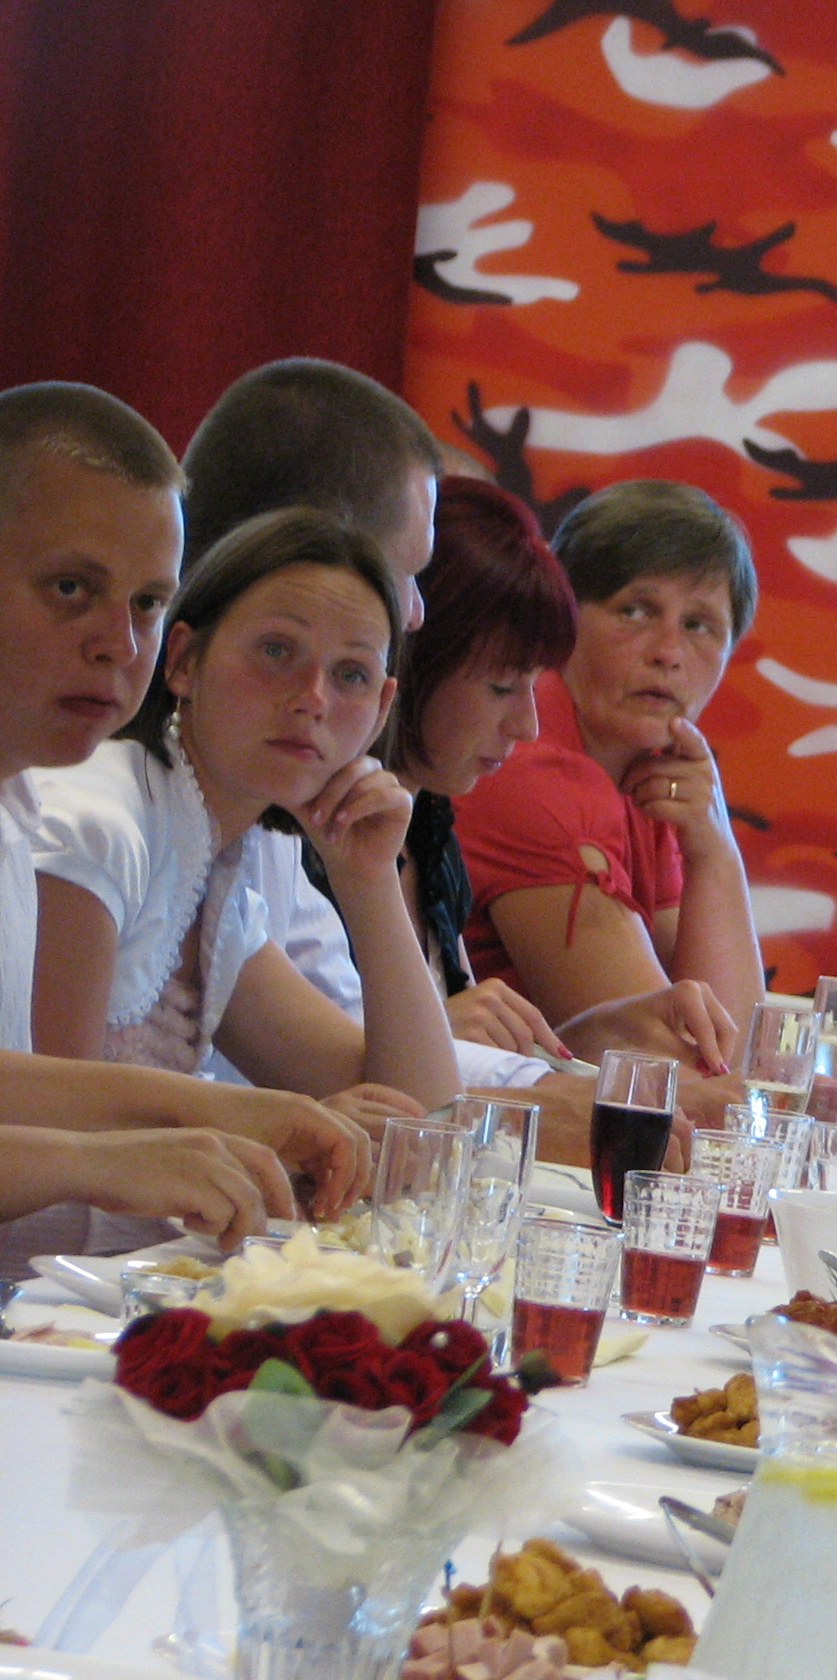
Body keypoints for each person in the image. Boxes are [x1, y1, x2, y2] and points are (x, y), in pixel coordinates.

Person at [0, 384, 363, 1238]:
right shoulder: (84, 818)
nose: (119, 645)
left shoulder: (17, 802)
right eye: (70, 588)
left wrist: (223, 1112)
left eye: (147, 603)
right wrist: (99, 1160)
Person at [180, 359, 563, 1077]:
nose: (415, 613)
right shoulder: (108, 816)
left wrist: (369, 882)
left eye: (352, 674)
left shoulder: (246, 828)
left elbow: (410, 1096)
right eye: (404, 574)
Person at [30, 510, 459, 1114]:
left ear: (380, 710)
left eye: (351, 674)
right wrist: (262, 1129)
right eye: (276, 651)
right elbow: (49, 1133)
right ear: (183, 660)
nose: (313, 699)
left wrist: (368, 882)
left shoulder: (210, 879)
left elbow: (420, 1115)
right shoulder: (96, 824)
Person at [452, 479, 764, 1075]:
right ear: (564, 618)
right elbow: (679, 1070)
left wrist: (713, 847)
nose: (669, 651)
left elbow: (732, 1039)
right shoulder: (528, 764)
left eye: (700, 625)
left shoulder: (648, 767)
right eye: (636, 611)